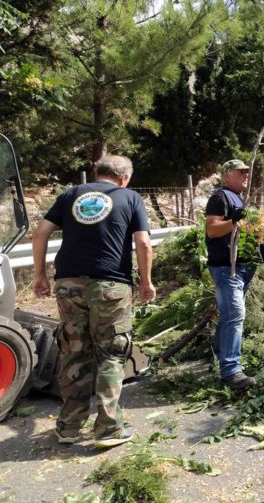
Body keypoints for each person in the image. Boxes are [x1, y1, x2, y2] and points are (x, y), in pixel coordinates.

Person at [32, 155, 155, 448]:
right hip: (110, 285)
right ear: (124, 178)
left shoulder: (71, 194)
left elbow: (40, 233)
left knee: (75, 351)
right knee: (112, 352)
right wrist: (147, 281)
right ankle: (109, 429)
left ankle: (68, 428)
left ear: (96, 173)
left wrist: (40, 276)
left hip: (68, 284)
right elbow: (143, 242)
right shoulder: (129, 197)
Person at [205, 159, 264, 390]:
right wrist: (235, 220)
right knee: (235, 315)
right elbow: (213, 229)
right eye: (241, 173)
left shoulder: (238, 198)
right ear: (227, 175)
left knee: (229, 313)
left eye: (246, 173)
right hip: (226, 267)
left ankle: (220, 353)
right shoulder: (219, 198)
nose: (245, 176)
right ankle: (230, 372)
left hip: (241, 267)